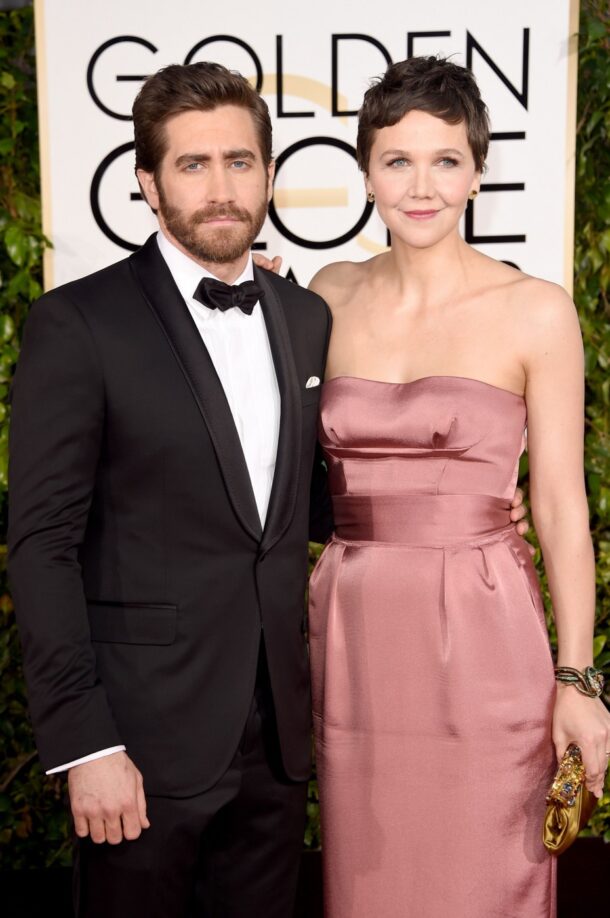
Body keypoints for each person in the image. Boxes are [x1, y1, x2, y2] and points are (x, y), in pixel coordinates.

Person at [7, 61, 334, 918]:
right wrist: (84, 742)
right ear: (149, 183)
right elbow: (41, 547)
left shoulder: (305, 318)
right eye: (193, 165)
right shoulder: (78, 323)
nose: (221, 189)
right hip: (138, 745)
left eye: (239, 161)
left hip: (275, 746)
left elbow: (295, 506)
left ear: (269, 172)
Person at [304, 57, 610, 918]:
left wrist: (577, 679)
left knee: (486, 872)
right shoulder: (326, 296)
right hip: (356, 633)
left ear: (477, 172)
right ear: (367, 173)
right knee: (369, 876)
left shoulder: (534, 309)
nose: (422, 186)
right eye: (397, 161)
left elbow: (560, 507)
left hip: (483, 627)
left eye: (445, 160)